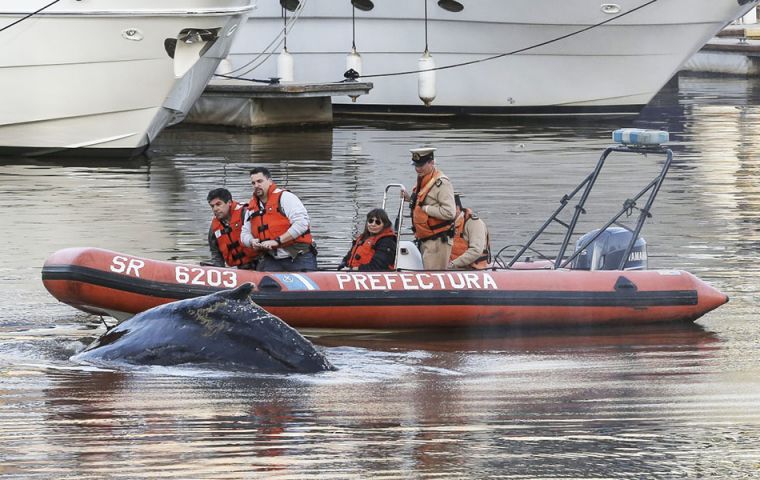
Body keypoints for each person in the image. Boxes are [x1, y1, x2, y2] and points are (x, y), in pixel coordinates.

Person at [241, 166, 318, 271]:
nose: (256, 186)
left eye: (260, 181)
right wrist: (251, 241)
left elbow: (302, 223)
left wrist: (277, 241)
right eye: (253, 183)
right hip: (272, 258)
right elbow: (244, 233)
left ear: (269, 181)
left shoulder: (285, 197)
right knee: (263, 284)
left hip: (298, 256)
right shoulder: (251, 207)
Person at [401, 147, 456, 270]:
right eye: (416, 165)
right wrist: (410, 199)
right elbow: (422, 201)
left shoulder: (442, 183)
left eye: (421, 165)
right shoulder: (424, 180)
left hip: (438, 240)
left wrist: (425, 209)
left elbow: (449, 212)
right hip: (425, 238)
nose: (418, 169)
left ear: (431, 162)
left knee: (434, 277)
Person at [205, 188, 259, 269]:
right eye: (212, 206)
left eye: (218, 204)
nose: (215, 209)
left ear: (229, 202)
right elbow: (216, 254)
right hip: (240, 268)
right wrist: (217, 270)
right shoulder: (214, 228)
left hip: (261, 262)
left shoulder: (245, 213)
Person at [448, 194, 491, 270]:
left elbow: (476, 250)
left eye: (446, 209)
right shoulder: (447, 225)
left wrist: (452, 265)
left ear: (457, 208)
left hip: (472, 269)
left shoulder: (474, 223)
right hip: (454, 268)